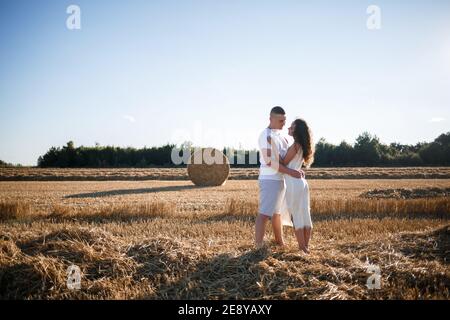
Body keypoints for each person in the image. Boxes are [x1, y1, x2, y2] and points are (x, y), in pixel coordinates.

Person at [255, 106, 304, 248]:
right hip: (269, 179)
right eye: (281, 120)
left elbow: (285, 159)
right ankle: (258, 247)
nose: (284, 124)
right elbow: (270, 161)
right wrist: (291, 172)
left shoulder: (282, 137)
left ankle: (280, 242)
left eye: (285, 120)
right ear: (271, 119)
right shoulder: (265, 135)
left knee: (277, 213)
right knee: (264, 214)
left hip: (280, 179)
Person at [279, 118, 315, 253]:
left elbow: (283, 162)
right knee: (305, 213)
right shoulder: (301, 146)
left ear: (297, 131)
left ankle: (302, 247)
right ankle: (306, 247)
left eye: (292, 127)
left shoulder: (295, 146)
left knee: (296, 215)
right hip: (301, 182)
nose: (289, 128)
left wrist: (272, 154)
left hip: (293, 183)